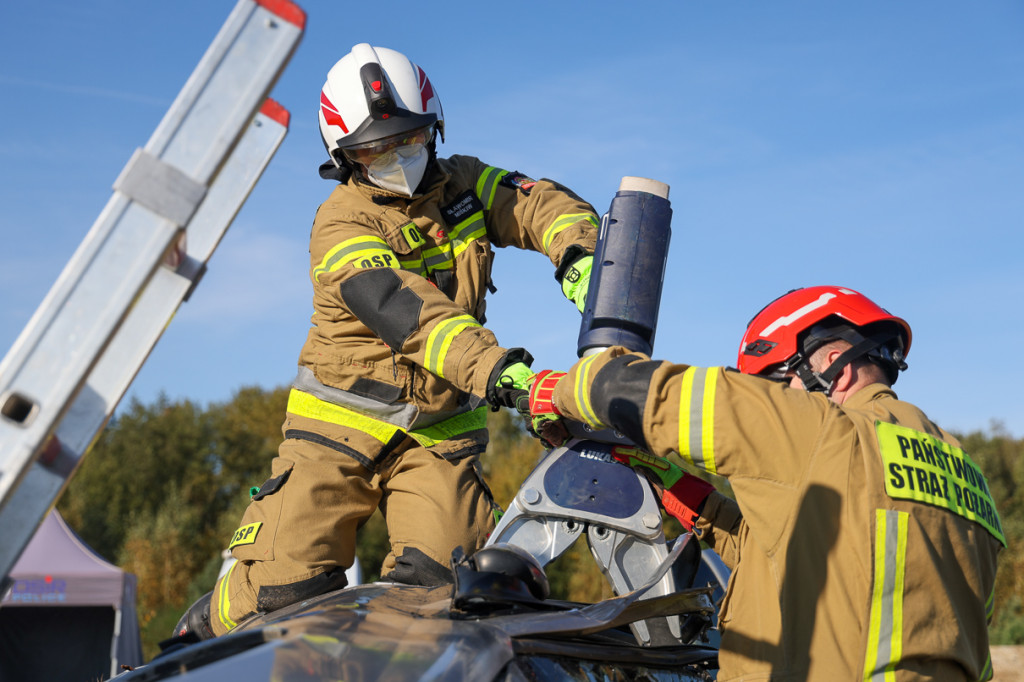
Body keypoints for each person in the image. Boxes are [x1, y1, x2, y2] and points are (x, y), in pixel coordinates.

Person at [174, 43, 598, 640]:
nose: (396, 156)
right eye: (374, 149)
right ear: (344, 157)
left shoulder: (465, 184)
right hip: (340, 419)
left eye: (409, 140)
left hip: (438, 427)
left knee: (445, 586)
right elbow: (407, 313)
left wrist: (577, 252)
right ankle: (200, 632)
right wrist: (501, 370)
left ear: (433, 129)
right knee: (288, 584)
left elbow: (539, 204)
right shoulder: (340, 223)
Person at [527, 285, 1004, 681]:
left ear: (831, 363)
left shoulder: (823, 431)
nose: (772, 402)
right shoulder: (965, 477)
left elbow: (652, 395)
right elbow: (823, 557)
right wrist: (686, 492)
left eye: (773, 385)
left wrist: (558, 390)